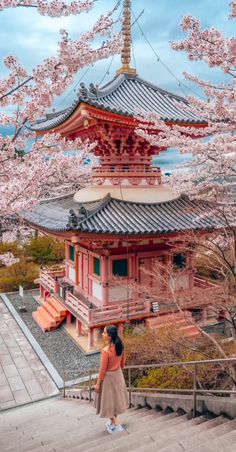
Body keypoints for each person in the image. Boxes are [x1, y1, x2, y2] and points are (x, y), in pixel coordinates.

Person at [95, 324, 128, 434]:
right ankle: (114, 423)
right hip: (118, 374)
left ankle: (116, 425)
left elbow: (102, 369)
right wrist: (119, 372)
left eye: (104, 333)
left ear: (109, 336)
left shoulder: (106, 350)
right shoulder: (120, 346)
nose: (102, 334)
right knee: (115, 400)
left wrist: (98, 383)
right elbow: (123, 363)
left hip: (108, 378)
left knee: (108, 402)